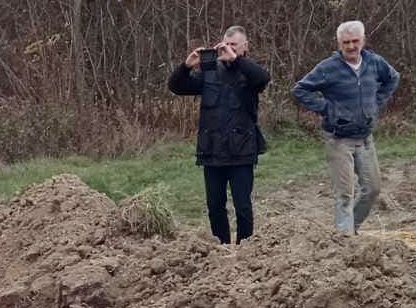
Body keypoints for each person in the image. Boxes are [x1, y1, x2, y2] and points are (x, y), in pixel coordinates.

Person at [292, 21, 400, 235]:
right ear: (339, 43)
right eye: (346, 42)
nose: (351, 46)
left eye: (355, 41)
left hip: (365, 138)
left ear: (363, 40)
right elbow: (300, 90)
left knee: (373, 189)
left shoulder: (374, 62)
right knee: (344, 195)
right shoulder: (328, 68)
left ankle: (352, 230)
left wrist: (375, 102)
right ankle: (345, 240)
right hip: (339, 140)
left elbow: (393, 78)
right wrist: (327, 109)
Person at [169, 26, 270, 245]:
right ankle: (221, 248)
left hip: (242, 150)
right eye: (226, 44)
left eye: (234, 45)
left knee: (243, 205)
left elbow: (263, 78)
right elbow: (176, 87)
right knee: (214, 205)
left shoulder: (248, 72)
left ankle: (245, 249)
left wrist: (236, 60)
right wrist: (185, 66)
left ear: (245, 47)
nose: (228, 49)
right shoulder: (209, 70)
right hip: (211, 149)